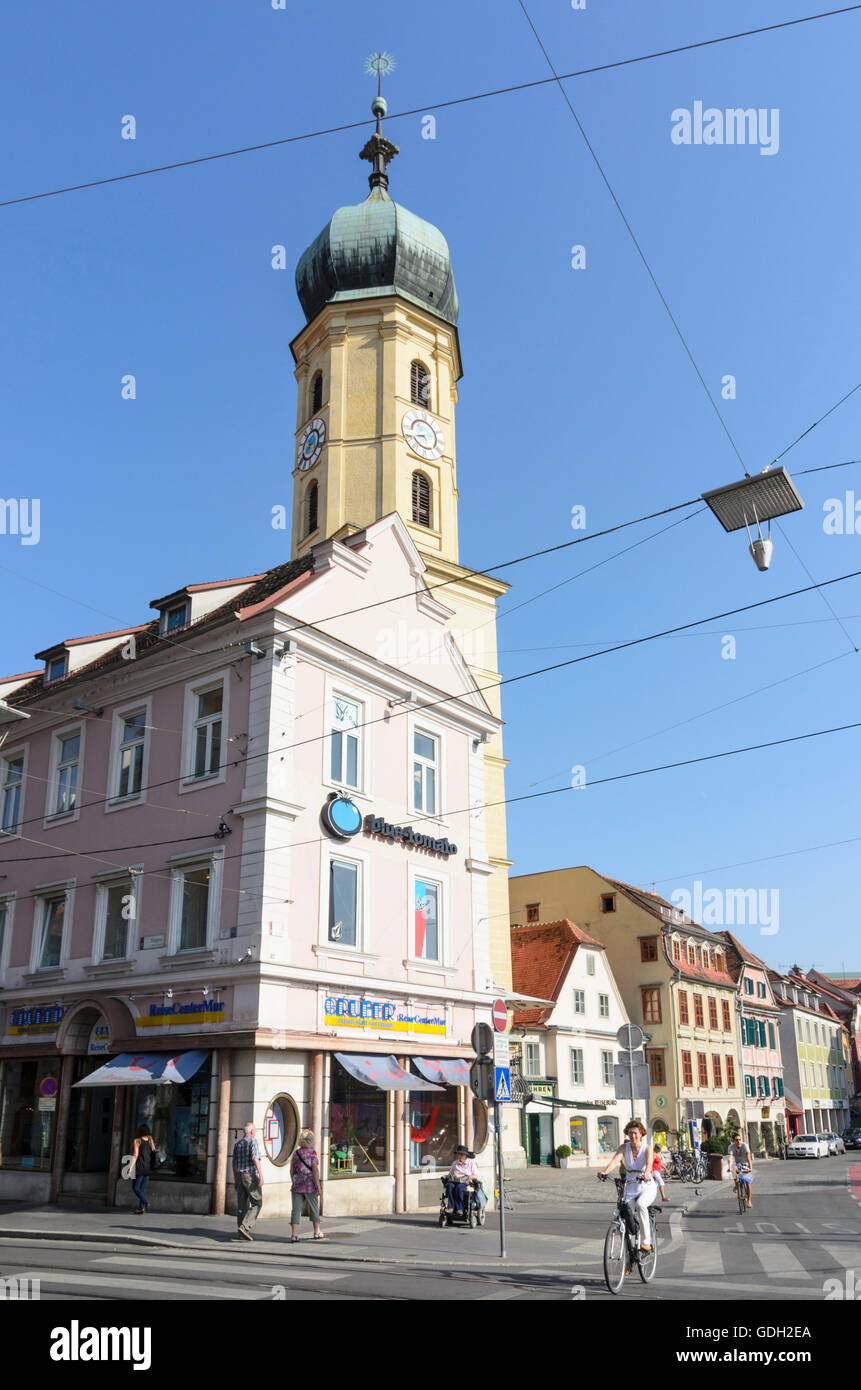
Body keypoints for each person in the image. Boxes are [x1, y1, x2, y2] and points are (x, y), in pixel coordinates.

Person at [598, 1118, 657, 1252]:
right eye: (630, 1133)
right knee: (624, 1212)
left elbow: (649, 1164)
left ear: (641, 1133)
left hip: (646, 1185)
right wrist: (604, 1172)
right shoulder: (624, 1148)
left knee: (641, 1205)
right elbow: (614, 1161)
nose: (633, 1136)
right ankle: (629, 1253)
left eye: (635, 1133)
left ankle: (646, 1243)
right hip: (630, 1186)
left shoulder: (647, 1148)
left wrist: (647, 1174)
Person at [290, 1128, 324, 1242]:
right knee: (314, 1208)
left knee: (296, 1209)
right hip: (310, 1185)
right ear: (311, 1140)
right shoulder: (312, 1153)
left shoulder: (296, 1153)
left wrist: (294, 1181)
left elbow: (291, 1170)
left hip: (297, 1185)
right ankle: (317, 1231)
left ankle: (294, 1235)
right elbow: (315, 1170)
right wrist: (318, 1186)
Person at [232, 1121, 264, 1240]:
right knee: (257, 1202)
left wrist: (235, 1179)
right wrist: (261, 1175)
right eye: (254, 1130)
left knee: (242, 1204)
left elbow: (233, 1164)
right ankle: (245, 1227)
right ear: (251, 1131)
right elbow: (255, 1158)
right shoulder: (253, 1142)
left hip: (240, 1175)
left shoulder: (237, 1144)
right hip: (250, 1175)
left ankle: (241, 1232)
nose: (255, 1132)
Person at [445, 1144, 479, 1215]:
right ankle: (450, 1207)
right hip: (454, 1181)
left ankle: (459, 1208)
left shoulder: (471, 1163)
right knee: (449, 1186)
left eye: (461, 1154)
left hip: (465, 1182)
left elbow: (475, 1176)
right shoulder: (455, 1163)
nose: (460, 1156)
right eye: (459, 1154)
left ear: (465, 1155)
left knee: (459, 1188)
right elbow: (450, 1174)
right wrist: (445, 1176)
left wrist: (465, 1177)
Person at [131, 1124, 156, 1215]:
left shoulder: (137, 1141)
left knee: (136, 1188)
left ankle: (145, 1202)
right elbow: (154, 1151)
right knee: (143, 1188)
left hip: (139, 1167)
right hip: (148, 1167)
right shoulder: (150, 1139)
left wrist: (130, 1168)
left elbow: (135, 1155)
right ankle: (141, 1208)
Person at [728, 1130, 754, 1209]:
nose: (738, 1141)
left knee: (748, 1182)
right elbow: (731, 1158)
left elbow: (749, 1158)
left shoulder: (745, 1146)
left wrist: (750, 1168)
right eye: (736, 1140)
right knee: (734, 1168)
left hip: (745, 1164)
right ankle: (736, 1186)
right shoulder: (731, 1147)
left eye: (739, 1139)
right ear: (733, 1141)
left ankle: (749, 1201)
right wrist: (729, 1167)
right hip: (737, 1164)